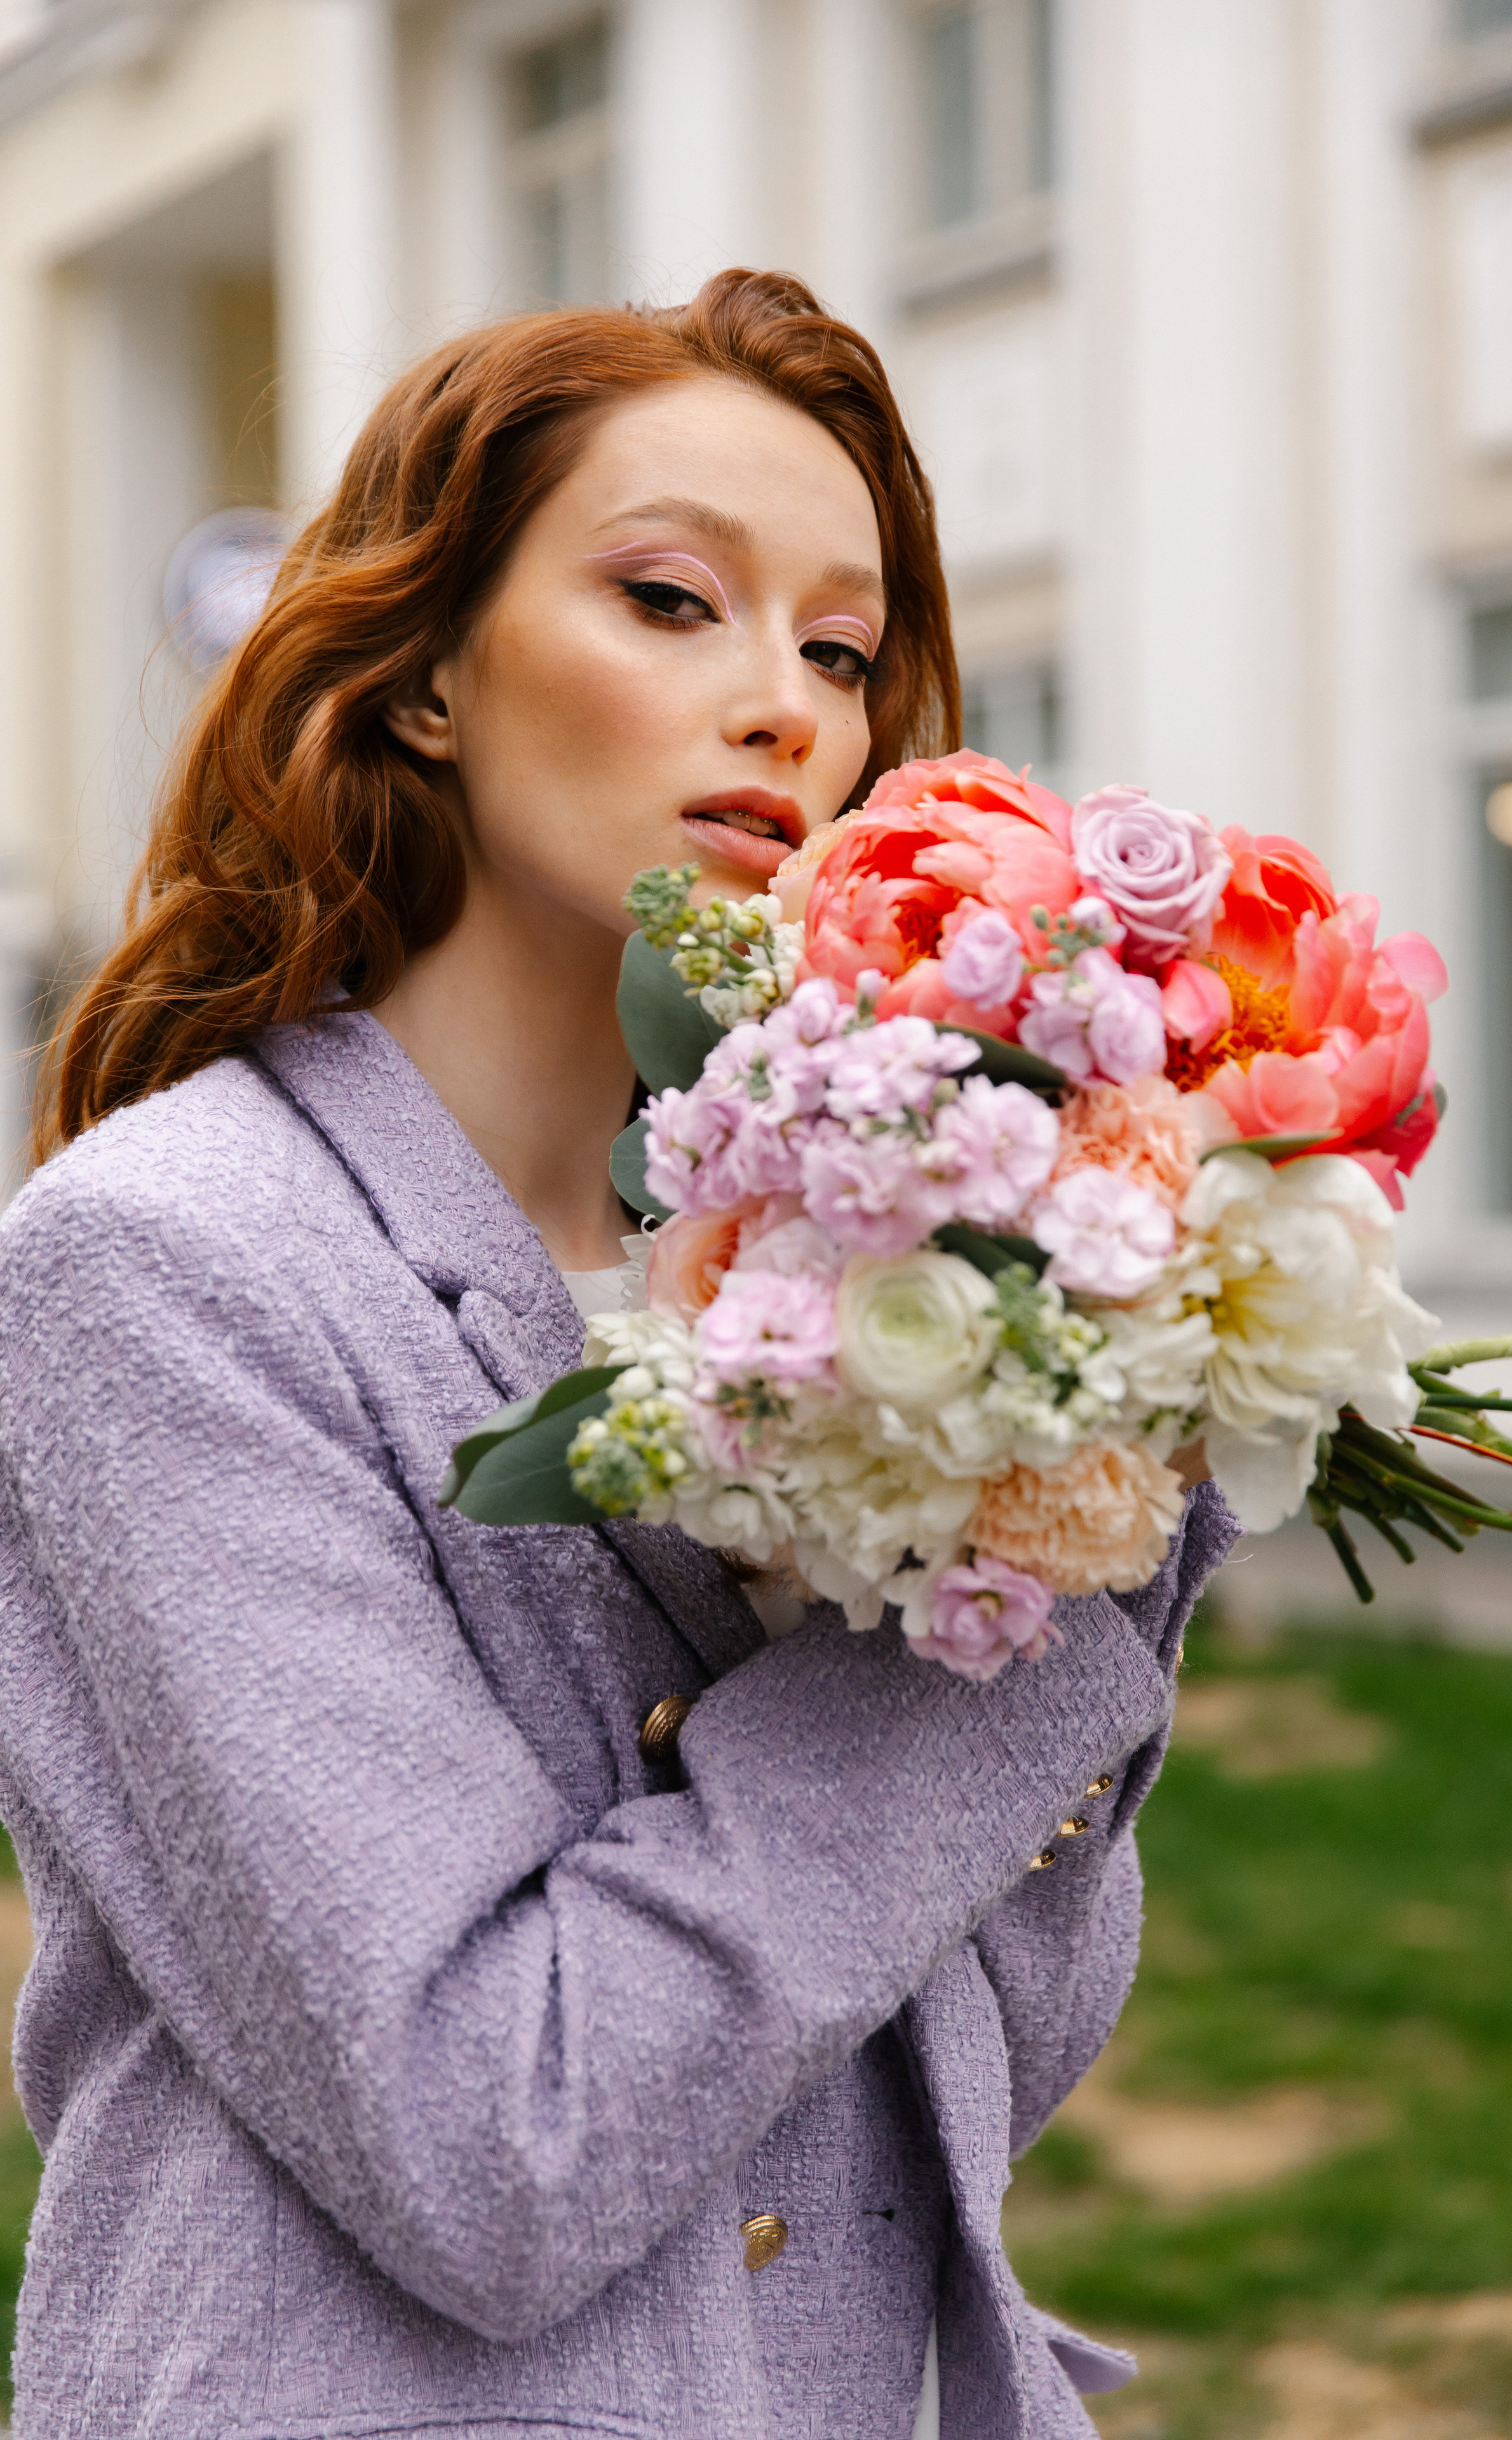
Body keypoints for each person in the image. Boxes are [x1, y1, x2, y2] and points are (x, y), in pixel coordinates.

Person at [0, 269, 1233, 2440]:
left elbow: (962, 2073)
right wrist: (1014, 1638)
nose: (783, 703)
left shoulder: (847, 1278)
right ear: (430, 674)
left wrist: (1088, 1442)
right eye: (674, 599)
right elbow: (502, 2136)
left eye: (839, 648)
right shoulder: (166, 1261)